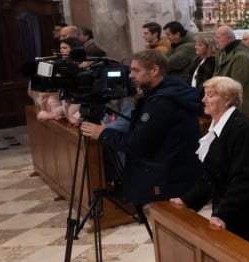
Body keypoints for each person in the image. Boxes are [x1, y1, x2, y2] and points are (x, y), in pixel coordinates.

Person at [80, 50, 203, 206]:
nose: (131, 75)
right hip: (175, 171)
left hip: (168, 177)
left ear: (155, 70)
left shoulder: (161, 102)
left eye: (136, 70)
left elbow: (137, 143)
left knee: (167, 223)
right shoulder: (172, 90)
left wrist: (103, 133)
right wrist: (142, 101)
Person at [171, 77, 249, 255]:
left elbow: (245, 179)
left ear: (227, 99)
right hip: (231, 211)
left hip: (247, 215)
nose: (203, 100)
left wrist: (223, 214)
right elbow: (211, 175)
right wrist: (186, 200)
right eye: (204, 95)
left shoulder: (245, 130)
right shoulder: (218, 128)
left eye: (210, 95)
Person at [213, 26, 249, 117]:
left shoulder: (241, 57)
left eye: (218, 37)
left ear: (229, 38)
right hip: (225, 104)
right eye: (215, 37)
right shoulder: (222, 53)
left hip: (238, 107)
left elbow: (236, 85)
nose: (216, 40)